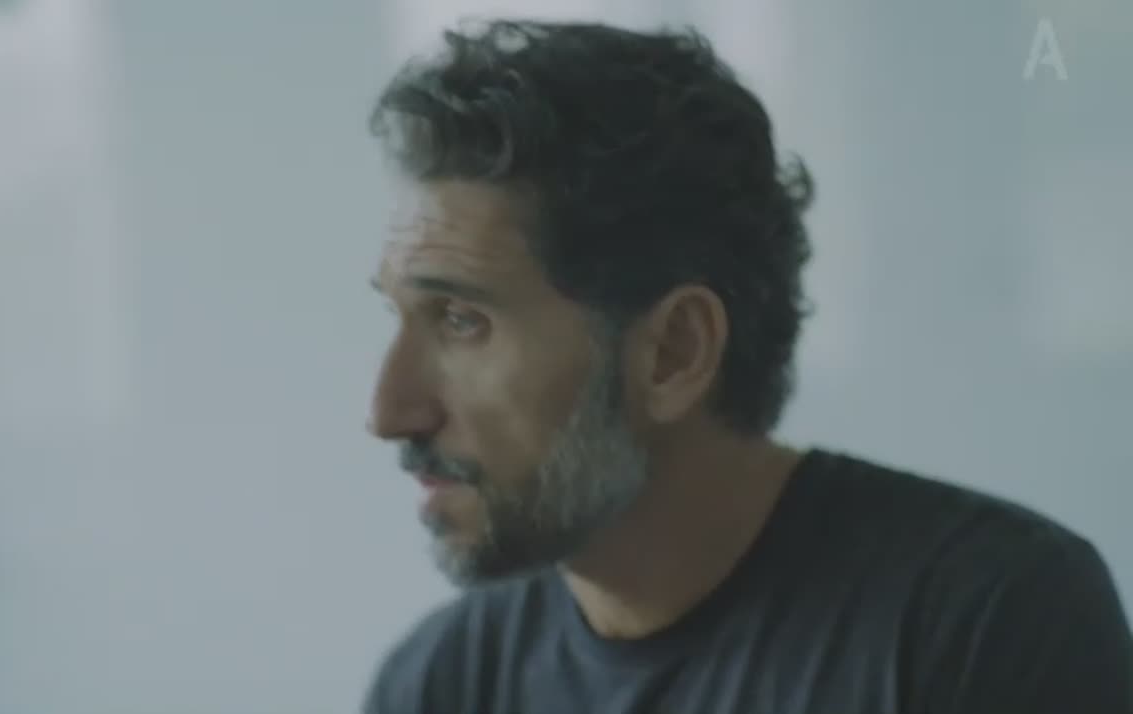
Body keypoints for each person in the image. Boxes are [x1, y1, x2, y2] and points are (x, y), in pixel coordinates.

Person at [360, 19, 1133, 714]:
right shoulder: (439, 685)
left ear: (675, 353)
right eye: (400, 316)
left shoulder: (983, 624)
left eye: (461, 321)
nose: (389, 413)